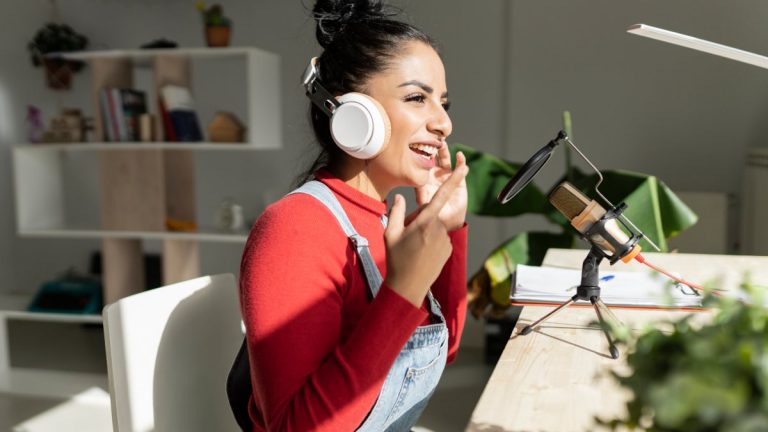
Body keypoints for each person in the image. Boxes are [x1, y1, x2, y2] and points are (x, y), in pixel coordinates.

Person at [238, 0, 468, 430]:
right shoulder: (296, 228)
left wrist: (447, 228)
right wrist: (402, 290)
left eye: (444, 103)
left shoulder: (386, 217)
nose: (443, 124)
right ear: (352, 114)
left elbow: (444, 347)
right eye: (417, 98)